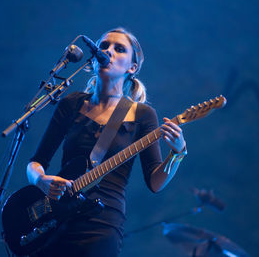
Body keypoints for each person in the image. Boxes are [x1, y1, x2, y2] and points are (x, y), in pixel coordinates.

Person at [26, 27, 187, 256]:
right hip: (56, 220)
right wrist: (41, 180)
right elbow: (35, 162)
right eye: (103, 46)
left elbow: (155, 182)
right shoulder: (71, 103)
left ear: (132, 67)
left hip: (101, 226)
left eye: (119, 49)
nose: (108, 51)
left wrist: (178, 152)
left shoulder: (142, 115)